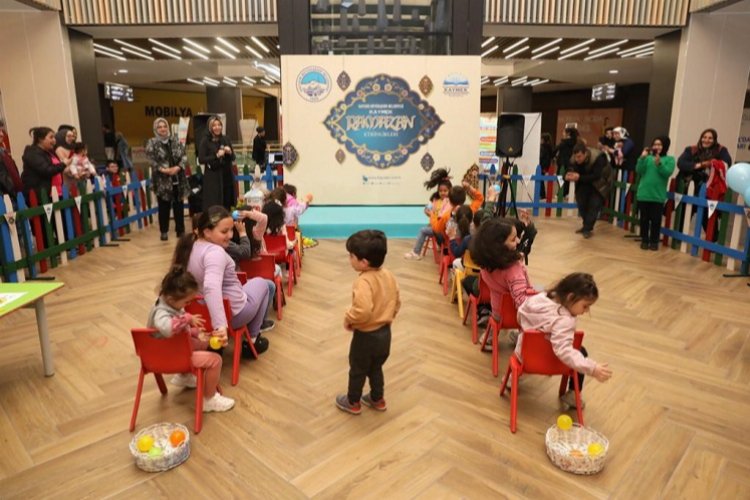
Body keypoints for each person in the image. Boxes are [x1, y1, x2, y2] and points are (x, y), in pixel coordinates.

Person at [173, 206, 271, 357]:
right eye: (224, 232)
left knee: (258, 285)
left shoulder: (191, 247)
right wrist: (220, 326)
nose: (230, 235)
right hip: (233, 315)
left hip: (201, 315)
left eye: (231, 230)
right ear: (207, 232)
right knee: (263, 283)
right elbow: (211, 287)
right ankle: (252, 339)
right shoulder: (215, 252)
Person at [517, 272, 612, 409]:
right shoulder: (565, 320)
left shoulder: (539, 298)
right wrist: (592, 368)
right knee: (580, 351)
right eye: (585, 306)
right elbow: (564, 351)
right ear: (570, 297)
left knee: (529, 340)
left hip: (524, 356)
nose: (586, 311)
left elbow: (520, 314)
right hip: (552, 362)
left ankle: (512, 379)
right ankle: (573, 393)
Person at [146, 265, 235, 412]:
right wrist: (186, 318)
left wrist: (195, 332)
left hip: (165, 353)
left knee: (202, 342)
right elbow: (167, 329)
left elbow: (177, 333)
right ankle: (209, 399)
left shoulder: (167, 304)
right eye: (186, 302)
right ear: (171, 299)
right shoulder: (160, 313)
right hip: (170, 358)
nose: (188, 306)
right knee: (215, 360)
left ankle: (185, 376)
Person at [335, 230, 400, 414]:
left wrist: (349, 319)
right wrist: (388, 317)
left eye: (351, 256)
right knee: (376, 367)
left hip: (365, 337)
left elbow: (362, 311)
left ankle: (353, 401)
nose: (349, 259)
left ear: (363, 262)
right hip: (385, 334)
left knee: (358, 369)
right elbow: (397, 301)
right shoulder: (389, 275)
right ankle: (377, 399)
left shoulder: (363, 281)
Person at [470, 218, 535, 345]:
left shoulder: (485, 264)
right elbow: (522, 302)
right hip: (515, 316)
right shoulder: (513, 269)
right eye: (513, 239)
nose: (518, 241)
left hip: (497, 312)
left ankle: (489, 338)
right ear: (498, 246)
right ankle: (524, 339)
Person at [676, 128, 732, 241]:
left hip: (710, 190)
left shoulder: (721, 150)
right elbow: (681, 163)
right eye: (704, 137)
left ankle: (712, 242)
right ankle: (678, 238)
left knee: (709, 216)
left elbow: (726, 163)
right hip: (690, 188)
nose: (707, 140)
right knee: (684, 214)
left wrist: (712, 163)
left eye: (710, 138)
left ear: (714, 140)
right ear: (701, 138)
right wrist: (700, 165)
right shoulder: (691, 149)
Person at [146, 117, 191, 241]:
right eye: (159, 127)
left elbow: (184, 156)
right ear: (155, 129)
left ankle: (180, 231)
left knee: (179, 206)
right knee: (164, 206)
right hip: (162, 180)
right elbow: (151, 160)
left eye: (164, 126)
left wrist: (178, 167)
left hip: (178, 178)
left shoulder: (175, 140)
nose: (163, 129)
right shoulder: (152, 143)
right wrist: (163, 170)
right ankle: (164, 231)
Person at [565, 142, 613, 239]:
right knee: (581, 203)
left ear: (585, 153)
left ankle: (587, 229)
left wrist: (579, 177)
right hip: (585, 181)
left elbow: (596, 176)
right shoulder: (574, 159)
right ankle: (586, 226)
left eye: (579, 157)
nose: (577, 159)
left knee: (594, 205)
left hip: (601, 183)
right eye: (576, 157)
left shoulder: (598, 157)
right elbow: (569, 169)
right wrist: (567, 175)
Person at [636, 136, 675, 251]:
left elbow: (667, 173)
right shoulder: (647, 158)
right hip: (644, 194)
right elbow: (639, 170)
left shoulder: (670, 159)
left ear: (665, 146)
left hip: (657, 195)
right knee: (644, 219)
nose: (657, 147)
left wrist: (659, 164)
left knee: (656, 220)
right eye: (655, 144)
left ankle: (654, 241)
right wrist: (642, 158)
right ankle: (644, 240)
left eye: (660, 144)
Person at [404, 168, 452, 260]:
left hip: (443, 229)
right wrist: (427, 211)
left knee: (423, 230)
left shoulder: (450, 202)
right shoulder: (435, 199)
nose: (443, 193)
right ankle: (437, 245)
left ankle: (416, 252)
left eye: (445, 191)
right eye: (441, 191)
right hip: (435, 226)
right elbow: (427, 209)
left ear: (450, 190)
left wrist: (432, 215)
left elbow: (443, 218)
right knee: (427, 227)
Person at [199, 116, 236, 210]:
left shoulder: (226, 139)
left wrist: (229, 152)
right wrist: (216, 155)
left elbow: (233, 157)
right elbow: (201, 159)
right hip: (214, 179)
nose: (217, 127)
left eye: (219, 125)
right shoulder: (205, 141)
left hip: (227, 177)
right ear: (210, 127)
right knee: (216, 205)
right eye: (214, 125)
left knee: (227, 204)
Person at [21, 127, 67, 199]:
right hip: (42, 195)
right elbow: (47, 170)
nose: (54, 140)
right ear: (40, 139)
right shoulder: (33, 153)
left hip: (56, 192)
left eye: (54, 137)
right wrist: (63, 164)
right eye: (51, 137)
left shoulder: (49, 152)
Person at [554, 127, 579, 196]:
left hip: (562, 162)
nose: (563, 134)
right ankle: (567, 192)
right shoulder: (575, 142)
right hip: (571, 162)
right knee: (568, 177)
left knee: (560, 177)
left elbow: (556, 149)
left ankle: (561, 192)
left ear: (568, 133)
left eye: (564, 132)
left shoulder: (564, 142)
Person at [0, 126, 23, 200]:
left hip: (15, 196)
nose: (2, 134)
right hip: (6, 199)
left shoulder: (4, 152)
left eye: (1, 131)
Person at [539, 133, 554, 199]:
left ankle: (542, 194)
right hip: (546, 166)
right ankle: (542, 194)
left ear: (543, 140)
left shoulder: (543, 147)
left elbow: (541, 157)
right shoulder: (549, 147)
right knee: (541, 179)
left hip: (542, 165)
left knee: (540, 180)